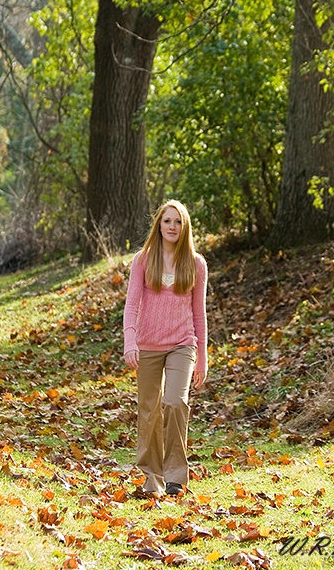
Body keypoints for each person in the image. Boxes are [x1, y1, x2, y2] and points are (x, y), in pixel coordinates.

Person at [123, 200, 208, 497]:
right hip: (146, 344)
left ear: (185, 228)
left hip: (182, 344)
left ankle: (175, 476)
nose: (172, 227)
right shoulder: (143, 260)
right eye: (167, 221)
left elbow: (199, 314)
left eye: (178, 222)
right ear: (158, 224)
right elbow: (132, 304)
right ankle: (152, 477)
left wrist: (203, 359)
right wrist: (129, 341)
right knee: (149, 411)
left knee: (174, 402)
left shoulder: (196, 264)